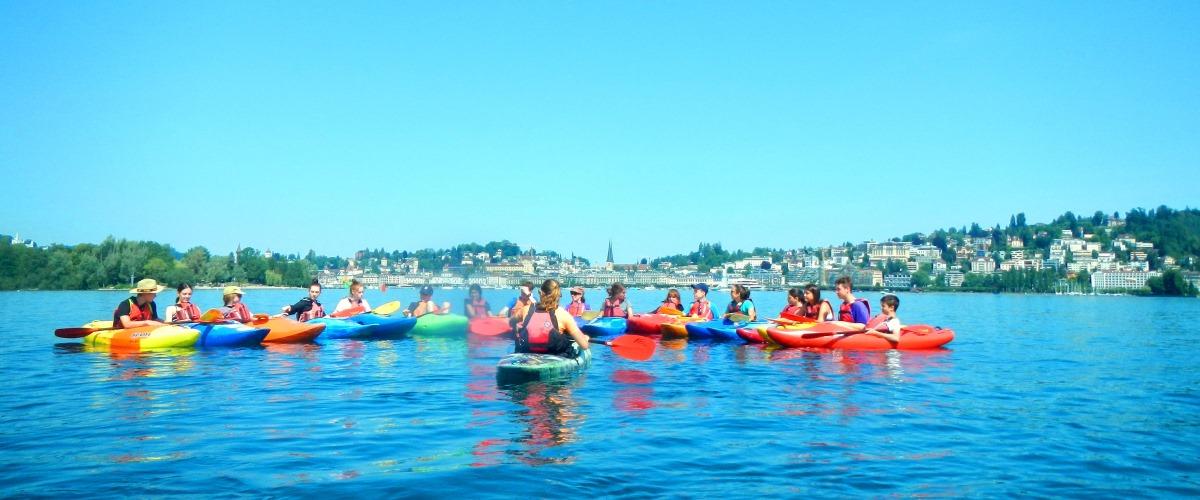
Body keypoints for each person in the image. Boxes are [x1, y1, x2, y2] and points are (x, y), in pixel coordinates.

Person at [514, 279, 590, 356]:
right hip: (554, 355)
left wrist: (517, 330)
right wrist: (585, 338)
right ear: (558, 295)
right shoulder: (563, 314)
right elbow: (584, 346)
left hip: (526, 353)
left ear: (541, 293)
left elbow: (512, 322)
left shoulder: (526, 310)